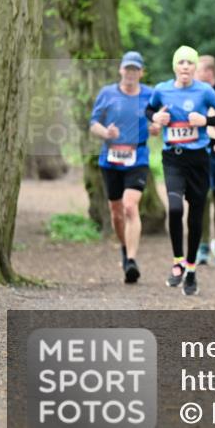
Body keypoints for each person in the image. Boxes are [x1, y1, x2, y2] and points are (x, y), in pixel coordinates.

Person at [147, 46, 215, 296]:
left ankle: (192, 268)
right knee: (174, 208)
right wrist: (156, 119)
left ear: (195, 68)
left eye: (189, 63)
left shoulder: (204, 91)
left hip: (198, 160)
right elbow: (149, 110)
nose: (185, 66)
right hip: (173, 158)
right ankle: (177, 261)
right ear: (175, 66)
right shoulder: (162, 89)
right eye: (180, 62)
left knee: (196, 214)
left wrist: (206, 121)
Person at [89, 51, 156, 284]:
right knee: (116, 212)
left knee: (129, 207)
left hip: (137, 157)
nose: (130, 73)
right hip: (110, 158)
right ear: (120, 70)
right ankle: (125, 249)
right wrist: (105, 132)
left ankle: (131, 260)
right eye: (127, 69)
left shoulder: (150, 94)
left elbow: (157, 120)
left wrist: (157, 126)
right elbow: (93, 123)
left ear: (141, 72)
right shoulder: (107, 93)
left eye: (135, 69)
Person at [195, 54, 215, 267]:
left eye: (198, 71)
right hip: (200, 150)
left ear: (209, 73)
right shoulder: (193, 92)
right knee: (203, 195)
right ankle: (204, 243)